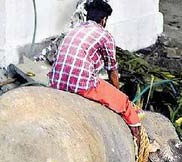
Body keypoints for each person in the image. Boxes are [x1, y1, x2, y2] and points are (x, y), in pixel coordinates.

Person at [49, 0, 141, 142]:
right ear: (103, 20)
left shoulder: (74, 30)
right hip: (81, 84)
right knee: (124, 103)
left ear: (87, 17)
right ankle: (138, 138)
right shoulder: (105, 36)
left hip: (56, 80)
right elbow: (112, 71)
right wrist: (117, 93)